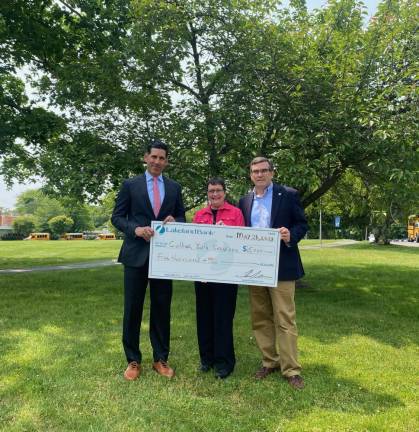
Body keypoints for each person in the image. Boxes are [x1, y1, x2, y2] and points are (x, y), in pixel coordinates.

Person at [111, 139, 185, 381]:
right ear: (146, 157)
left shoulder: (174, 187)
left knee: (162, 308)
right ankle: (133, 360)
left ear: (167, 161)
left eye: (162, 158)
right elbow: (117, 217)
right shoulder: (130, 185)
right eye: (154, 157)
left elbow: (182, 217)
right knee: (132, 308)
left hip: (165, 257)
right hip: (135, 255)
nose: (157, 161)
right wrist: (135, 229)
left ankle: (160, 359)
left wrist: (176, 221)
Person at [239, 156, 308, 389]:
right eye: (255, 171)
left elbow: (302, 223)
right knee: (260, 317)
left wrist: (291, 235)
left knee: (285, 319)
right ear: (250, 174)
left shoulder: (288, 194)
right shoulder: (244, 200)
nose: (259, 174)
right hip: (254, 267)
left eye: (263, 170)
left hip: (282, 266)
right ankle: (269, 362)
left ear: (272, 172)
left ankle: (291, 369)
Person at [193, 177, 245, 379]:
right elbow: (194, 246)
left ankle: (225, 363)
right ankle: (207, 359)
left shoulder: (236, 213)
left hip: (227, 276)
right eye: (211, 191)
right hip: (203, 277)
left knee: (223, 319)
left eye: (218, 190)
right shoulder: (199, 215)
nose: (214, 194)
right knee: (204, 318)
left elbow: (241, 243)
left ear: (225, 192)